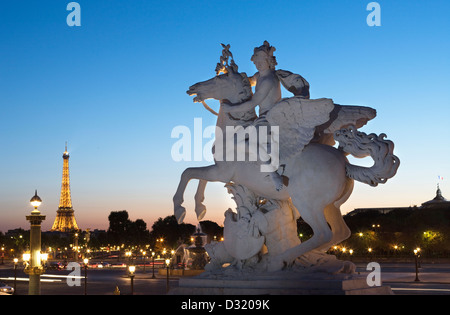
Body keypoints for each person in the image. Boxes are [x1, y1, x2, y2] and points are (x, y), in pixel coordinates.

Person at [222, 41, 285, 191]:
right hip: (262, 119)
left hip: (270, 119)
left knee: (238, 141)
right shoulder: (260, 76)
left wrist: (231, 107)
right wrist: (230, 72)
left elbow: (253, 102)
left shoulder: (269, 79)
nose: (258, 65)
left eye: (261, 62)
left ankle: (273, 173)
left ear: (269, 62)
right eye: (256, 62)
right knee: (237, 140)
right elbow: (248, 81)